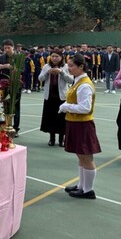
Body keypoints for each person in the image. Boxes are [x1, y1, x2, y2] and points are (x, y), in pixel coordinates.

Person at [59, 54, 101, 199]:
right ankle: (82, 186)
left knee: (86, 157)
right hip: (75, 123)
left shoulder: (84, 84)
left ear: (81, 66)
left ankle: (88, 190)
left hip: (83, 124)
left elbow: (85, 107)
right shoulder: (77, 80)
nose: (69, 69)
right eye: (68, 66)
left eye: (71, 66)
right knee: (81, 156)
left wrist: (67, 106)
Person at [38, 49, 74, 146]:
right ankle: (52, 139)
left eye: (57, 56)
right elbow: (40, 78)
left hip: (61, 97)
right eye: (52, 56)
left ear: (61, 57)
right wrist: (47, 73)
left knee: (61, 119)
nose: (54, 58)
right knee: (50, 118)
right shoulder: (46, 66)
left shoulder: (66, 67)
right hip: (49, 96)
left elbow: (71, 80)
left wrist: (61, 72)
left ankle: (61, 140)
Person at [0, 39, 22, 137]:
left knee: (16, 107)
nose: (7, 49)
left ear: (13, 47)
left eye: (9, 47)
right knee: (5, 105)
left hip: (16, 84)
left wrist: (11, 67)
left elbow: (22, 70)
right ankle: (6, 126)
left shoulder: (18, 57)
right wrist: (3, 66)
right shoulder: (1, 57)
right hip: (5, 84)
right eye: (5, 48)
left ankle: (15, 128)